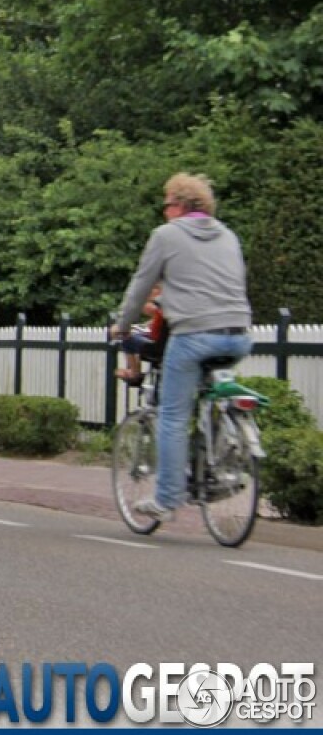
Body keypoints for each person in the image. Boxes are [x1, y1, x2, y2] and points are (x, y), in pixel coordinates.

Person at [112, 172, 252, 523]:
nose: (164, 212)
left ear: (180, 204)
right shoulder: (228, 235)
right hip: (238, 334)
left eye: (167, 205)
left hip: (193, 334)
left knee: (173, 415)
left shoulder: (166, 236)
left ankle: (167, 498)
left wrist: (123, 324)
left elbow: (141, 284)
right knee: (208, 395)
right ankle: (219, 451)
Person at [115, 285, 167, 386]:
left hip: (156, 343)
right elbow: (156, 321)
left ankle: (134, 373)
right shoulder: (171, 308)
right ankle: (135, 370)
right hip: (164, 340)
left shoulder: (159, 306)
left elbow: (146, 309)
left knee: (127, 338)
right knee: (136, 335)